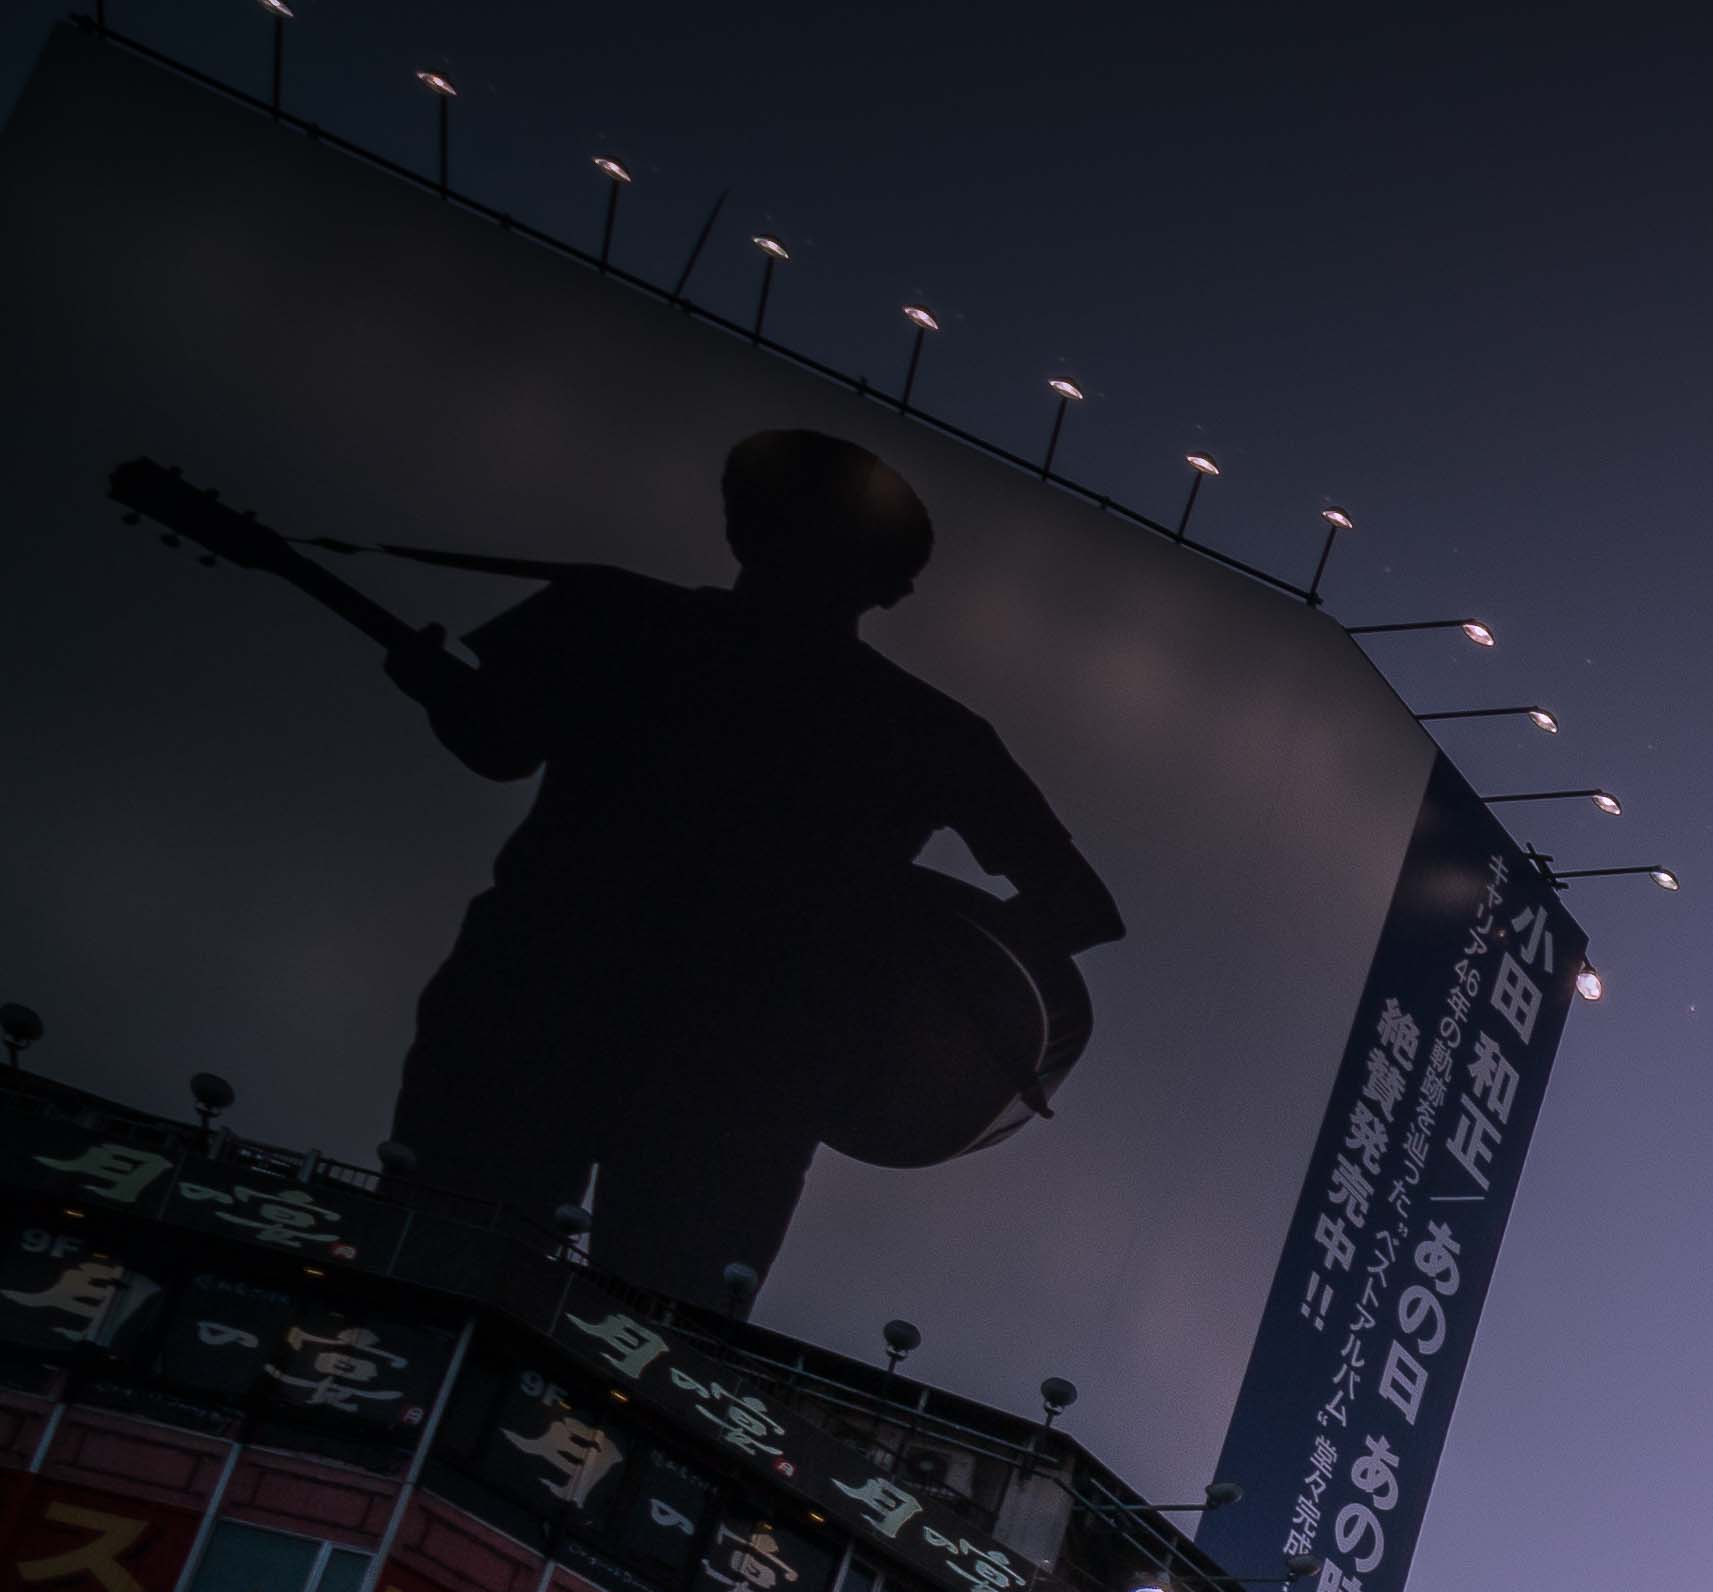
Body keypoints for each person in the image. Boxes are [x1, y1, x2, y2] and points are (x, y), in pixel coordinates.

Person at [310, 431, 1126, 1310]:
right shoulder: (931, 730)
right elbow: (1077, 906)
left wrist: (430, 678)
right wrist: (881, 933)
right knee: (657, 1343)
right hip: (743, 1070)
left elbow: (495, 741)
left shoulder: (615, 614)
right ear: (890, 584)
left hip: (535, 998)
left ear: (744, 530)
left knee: (432, 1277)